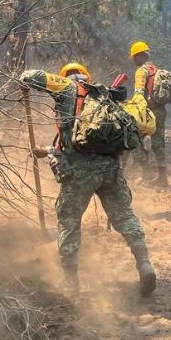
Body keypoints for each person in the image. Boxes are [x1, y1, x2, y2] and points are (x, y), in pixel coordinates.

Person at [19, 63, 157, 296]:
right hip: (111, 169)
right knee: (125, 217)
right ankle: (144, 263)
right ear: (86, 76)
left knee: (69, 221)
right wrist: (48, 150)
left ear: (66, 76)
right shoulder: (104, 95)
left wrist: (25, 85)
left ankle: (71, 283)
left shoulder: (65, 87)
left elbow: (29, 76)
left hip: (79, 173)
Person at [130, 41, 170, 188]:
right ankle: (162, 178)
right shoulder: (156, 69)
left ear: (140, 56)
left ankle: (146, 172)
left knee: (133, 140)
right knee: (159, 143)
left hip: (146, 113)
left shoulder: (141, 71)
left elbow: (139, 94)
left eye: (134, 56)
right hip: (160, 111)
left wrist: (132, 109)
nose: (134, 60)